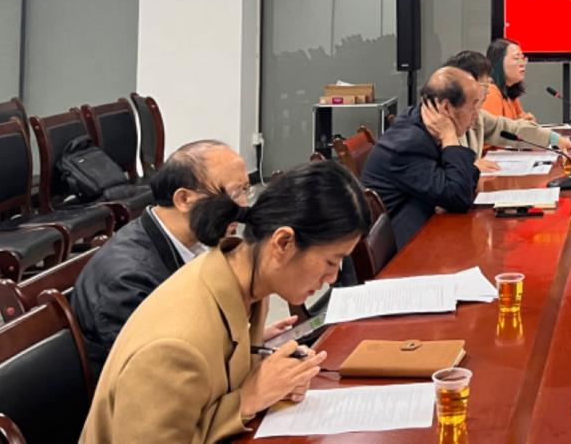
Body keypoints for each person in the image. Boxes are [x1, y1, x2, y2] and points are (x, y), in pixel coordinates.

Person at [81, 162, 371, 443]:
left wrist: (274, 377)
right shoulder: (176, 344)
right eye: (331, 261)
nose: (333, 277)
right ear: (283, 243)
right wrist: (247, 400)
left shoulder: (245, 278)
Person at [72, 140, 251, 373]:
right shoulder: (128, 281)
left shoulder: (192, 241)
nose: (243, 206)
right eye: (235, 193)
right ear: (184, 199)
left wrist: (249, 345)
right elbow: (156, 373)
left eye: (245, 190)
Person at [362, 66, 484, 246]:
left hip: (420, 230)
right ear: (446, 107)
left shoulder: (421, 124)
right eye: (473, 105)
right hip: (400, 250)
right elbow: (459, 196)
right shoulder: (408, 143)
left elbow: (465, 182)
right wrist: (449, 136)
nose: (476, 115)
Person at [445, 50, 571, 171]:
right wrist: (470, 167)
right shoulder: (441, 124)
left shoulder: (479, 116)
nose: (488, 90)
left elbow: (513, 129)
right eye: (485, 84)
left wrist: (557, 140)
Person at [484, 37, 535, 121]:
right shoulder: (490, 92)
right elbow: (493, 128)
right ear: (498, 62)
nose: (522, 64)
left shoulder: (510, 91)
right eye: (516, 58)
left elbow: (522, 120)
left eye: (523, 58)